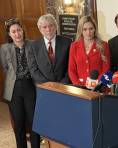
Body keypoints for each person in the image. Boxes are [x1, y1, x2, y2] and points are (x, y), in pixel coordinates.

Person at [0, 18, 40, 148]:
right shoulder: (4, 48)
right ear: (9, 34)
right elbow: (6, 68)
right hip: (14, 89)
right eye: (13, 31)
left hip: (30, 86)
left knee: (34, 122)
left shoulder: (32, 45)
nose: (17, 34)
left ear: (23, 30)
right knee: (18, 123)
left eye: (19, 30)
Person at [28, 14, 72, 83]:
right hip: (44, 87)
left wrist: (63, 83)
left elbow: (71, 66)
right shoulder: (33, 46)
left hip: (64, 86)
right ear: (40, 29)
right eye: (44, 27)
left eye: (51, 25)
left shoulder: (67, 42)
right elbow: (33, 70)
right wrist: (48, 85)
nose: (48, 29)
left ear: (56, 26)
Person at [68, 16, 110, 86]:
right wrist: (79, 86)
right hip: (80, 88)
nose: (88, 32)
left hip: (98, 87)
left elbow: (106, 69)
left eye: (91, 29)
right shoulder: (74, 46)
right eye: (85, 29)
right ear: (81, 30)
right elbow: (71, 70)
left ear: (95, 29)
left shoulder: (104, 45)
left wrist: (95, 85)